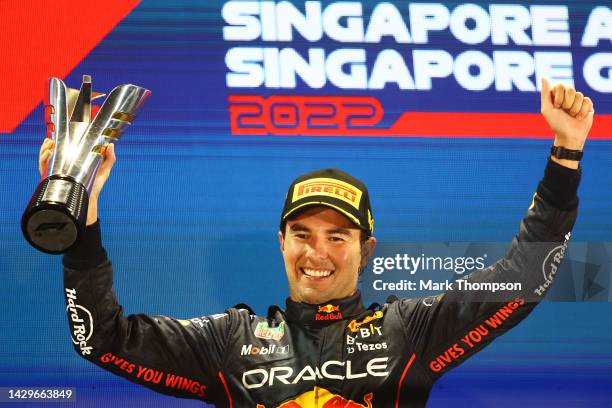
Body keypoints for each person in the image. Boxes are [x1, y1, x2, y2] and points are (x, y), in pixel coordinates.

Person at [44, 78, 593, 407]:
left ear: (366, 248)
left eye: (338, 236)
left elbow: (523, 279)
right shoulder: (228, 341)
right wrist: (83, 216)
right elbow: (102, 339)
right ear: (281, 242)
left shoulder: (411, 331)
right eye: (302, 235)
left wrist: (565, 155)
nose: (317, 253)